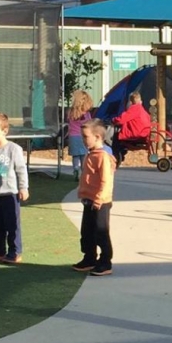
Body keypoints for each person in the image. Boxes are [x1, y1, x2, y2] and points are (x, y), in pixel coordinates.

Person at [0, 112, 29, 264]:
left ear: (4, 131)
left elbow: (21, 169)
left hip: (10, 194)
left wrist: (23, 188)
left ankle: (15, 252)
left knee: (12, 225)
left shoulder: (13, 149)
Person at [73, 118, 115, 276]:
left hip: (101, 202)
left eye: (85, 136)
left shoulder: (102, 156)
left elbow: (106, 181)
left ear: (97, 137)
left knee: (101, 231)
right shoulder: (91, 154)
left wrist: (99, 198)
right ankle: (89, 258)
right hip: (88, 200)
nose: (83, 140)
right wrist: (83, 191)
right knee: (87, 231)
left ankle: (105, 261)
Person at [111, 90, 151, 165]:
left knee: (116, 139)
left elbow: (122, 120)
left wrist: (113, 120)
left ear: (130, 101)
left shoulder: (134, 109)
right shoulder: (142, 110)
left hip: (136, 132)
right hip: (144, 132)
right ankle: (120, 154)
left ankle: (115, 155)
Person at [66, 89, 94, 180]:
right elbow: (90, 125)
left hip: (72, 137)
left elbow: (68, 122)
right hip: (83, 137)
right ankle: (83, 171)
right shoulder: (87, 115)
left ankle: (75, 169)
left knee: (75, 156)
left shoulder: (71, 113)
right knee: (83, 155)